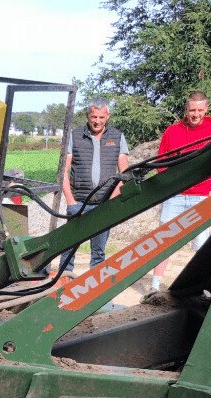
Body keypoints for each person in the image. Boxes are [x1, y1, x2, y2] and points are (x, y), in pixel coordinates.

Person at [149, 91, 211, 292]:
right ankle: (154, 288)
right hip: (175, 196)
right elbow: (162, 161)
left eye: (200, 110)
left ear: (206, 109)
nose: (196, 114)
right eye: (192, 110)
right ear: (186, 109)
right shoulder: (172, 132)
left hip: (200, 197)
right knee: (164, 241)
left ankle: (205, 287)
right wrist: (170, 184)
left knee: (202, 245)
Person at [57, 98, 129, 275]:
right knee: (68, 248)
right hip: (79, 203)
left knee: (98, 252)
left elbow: (125, 173)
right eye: (93, 116)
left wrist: (111, 202)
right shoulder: (74, 136)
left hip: (104, 205)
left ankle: (93, 289)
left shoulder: (117, 137)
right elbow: (63, 172)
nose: (97, 121)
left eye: (101, 117)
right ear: (87, 116)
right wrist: (71, 202)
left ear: (108, 116)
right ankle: (63, 286)